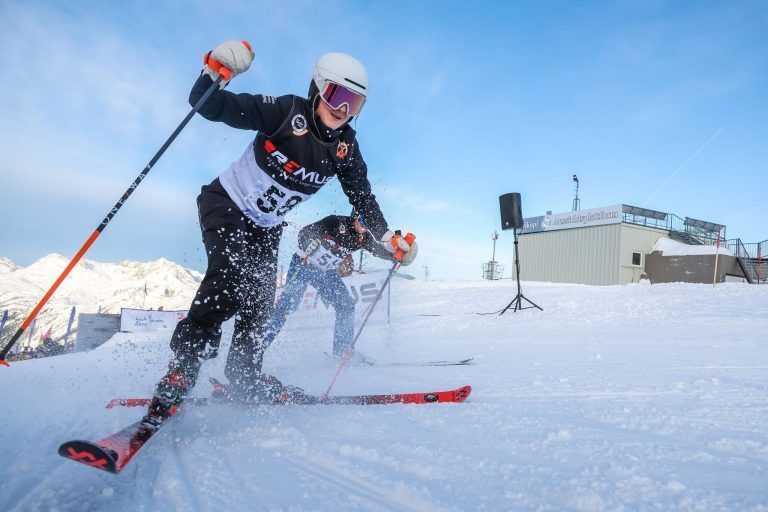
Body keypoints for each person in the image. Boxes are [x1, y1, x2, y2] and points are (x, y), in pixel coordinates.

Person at [143, 41, 417, 427]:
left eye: (353, 104)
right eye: (338, 96)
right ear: (318, 88)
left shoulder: (345, 147)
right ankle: (183, 368)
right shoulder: (285, 112)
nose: (342, 110)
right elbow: (208, 105)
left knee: (258, 303)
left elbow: (363, 197)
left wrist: (390, 242)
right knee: (228, 277)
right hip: (227, 205)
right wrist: (216, 72)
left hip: (265, 228)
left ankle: (244, 376)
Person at [263, 214, 415, 365]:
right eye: (361, 221)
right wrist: (308, 241)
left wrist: (397, 256)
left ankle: (342, 353)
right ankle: (257, 347)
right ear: (356, 216)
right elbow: (305, 232)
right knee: (287, 306)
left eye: (367, 225)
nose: (363, 227)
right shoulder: (335, 221)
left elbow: (378, 251)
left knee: (346, 305)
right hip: (303, 265)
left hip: (324, 272)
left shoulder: (363, 238)